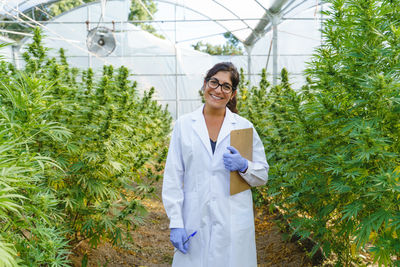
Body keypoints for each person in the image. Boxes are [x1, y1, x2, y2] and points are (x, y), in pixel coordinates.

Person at [162, 62, 269, 267]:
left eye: (226, 86)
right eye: (214, 82)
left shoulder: (243, 127)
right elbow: (173, 178)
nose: (218, 90)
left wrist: (244, 165)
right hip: (194, 218)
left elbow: (262, 175)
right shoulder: (184, 125)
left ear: (233, 93)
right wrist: (176, 223)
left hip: (233, 221)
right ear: (205, 84)